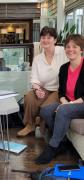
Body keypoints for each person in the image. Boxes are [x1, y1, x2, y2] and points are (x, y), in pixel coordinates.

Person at [35, 34, 84, 164]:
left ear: (81, 49)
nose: (70, 49)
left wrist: (68, 105)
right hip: (69, 104)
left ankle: (52, 147)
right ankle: (62, 142)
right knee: (45, 110)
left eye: (75, 46)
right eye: (68, 46)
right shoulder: (63, 68)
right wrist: (65, 103)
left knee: (63, 111)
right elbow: (61, 91)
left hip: (81, 104)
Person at [17, 26, 68, 137]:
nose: (45, 40)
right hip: (43, 88)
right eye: (43, 37)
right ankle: (29, 125)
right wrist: (37, 89)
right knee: (29, 97)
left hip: (58, 90)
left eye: (49, 37)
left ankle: (42, 128)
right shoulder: (38, 58)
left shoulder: (63, 53)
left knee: (46, 107)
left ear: (55, 40)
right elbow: (34, 78)